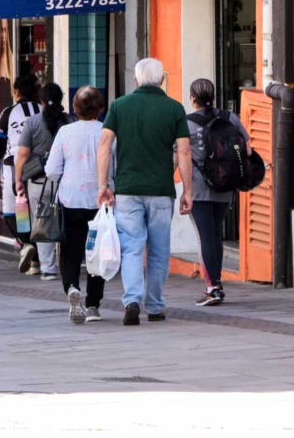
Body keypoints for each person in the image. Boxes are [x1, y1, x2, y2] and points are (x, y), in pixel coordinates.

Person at [97, 58, 192, 326]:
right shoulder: (174, 108)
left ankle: (131, 301)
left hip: (127, 191)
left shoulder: (119, 106)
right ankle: (155, 305)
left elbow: (105, 143)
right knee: (160, 249)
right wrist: (187, 190)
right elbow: (184, 150)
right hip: (161, 191)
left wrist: (103, 185)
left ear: (136, 80)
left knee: (132, 248)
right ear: (162, 80)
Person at [45, 86, 108, 324]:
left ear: (75, 108)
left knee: (71, 252)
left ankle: (72, 287)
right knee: (97, 253)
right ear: (100, 109)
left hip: (70, 200)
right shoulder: (107, 132)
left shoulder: (65, 132)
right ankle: (93, 304)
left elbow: (51, 169)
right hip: (100, 201)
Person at [186, 79, 251, 307]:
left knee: (206, 236)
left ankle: (211, 287)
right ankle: (216, 281)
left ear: (193, 98)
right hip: (225, 187)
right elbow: (248, 148)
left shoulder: (187, 123)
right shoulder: (229, 117)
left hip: (199, 189)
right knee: (215, 235)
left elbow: (180, 156)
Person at [0, 74, 42, 274]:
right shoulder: (43, 110)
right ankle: (36, 259)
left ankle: (25, 243)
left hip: (13, 166)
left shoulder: (9, 113)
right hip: (39, 166)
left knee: (13, 211)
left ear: (16, 92)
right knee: (37, 212)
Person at [14, 82, 69, 281]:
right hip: (65, 182)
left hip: (39, 182)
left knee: (43, 222)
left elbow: (22, 155)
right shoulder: (69, 121)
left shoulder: (32, 123)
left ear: (42, 101)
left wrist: (18, 180)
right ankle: (70, 263)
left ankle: (48, 268)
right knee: (67, 221)